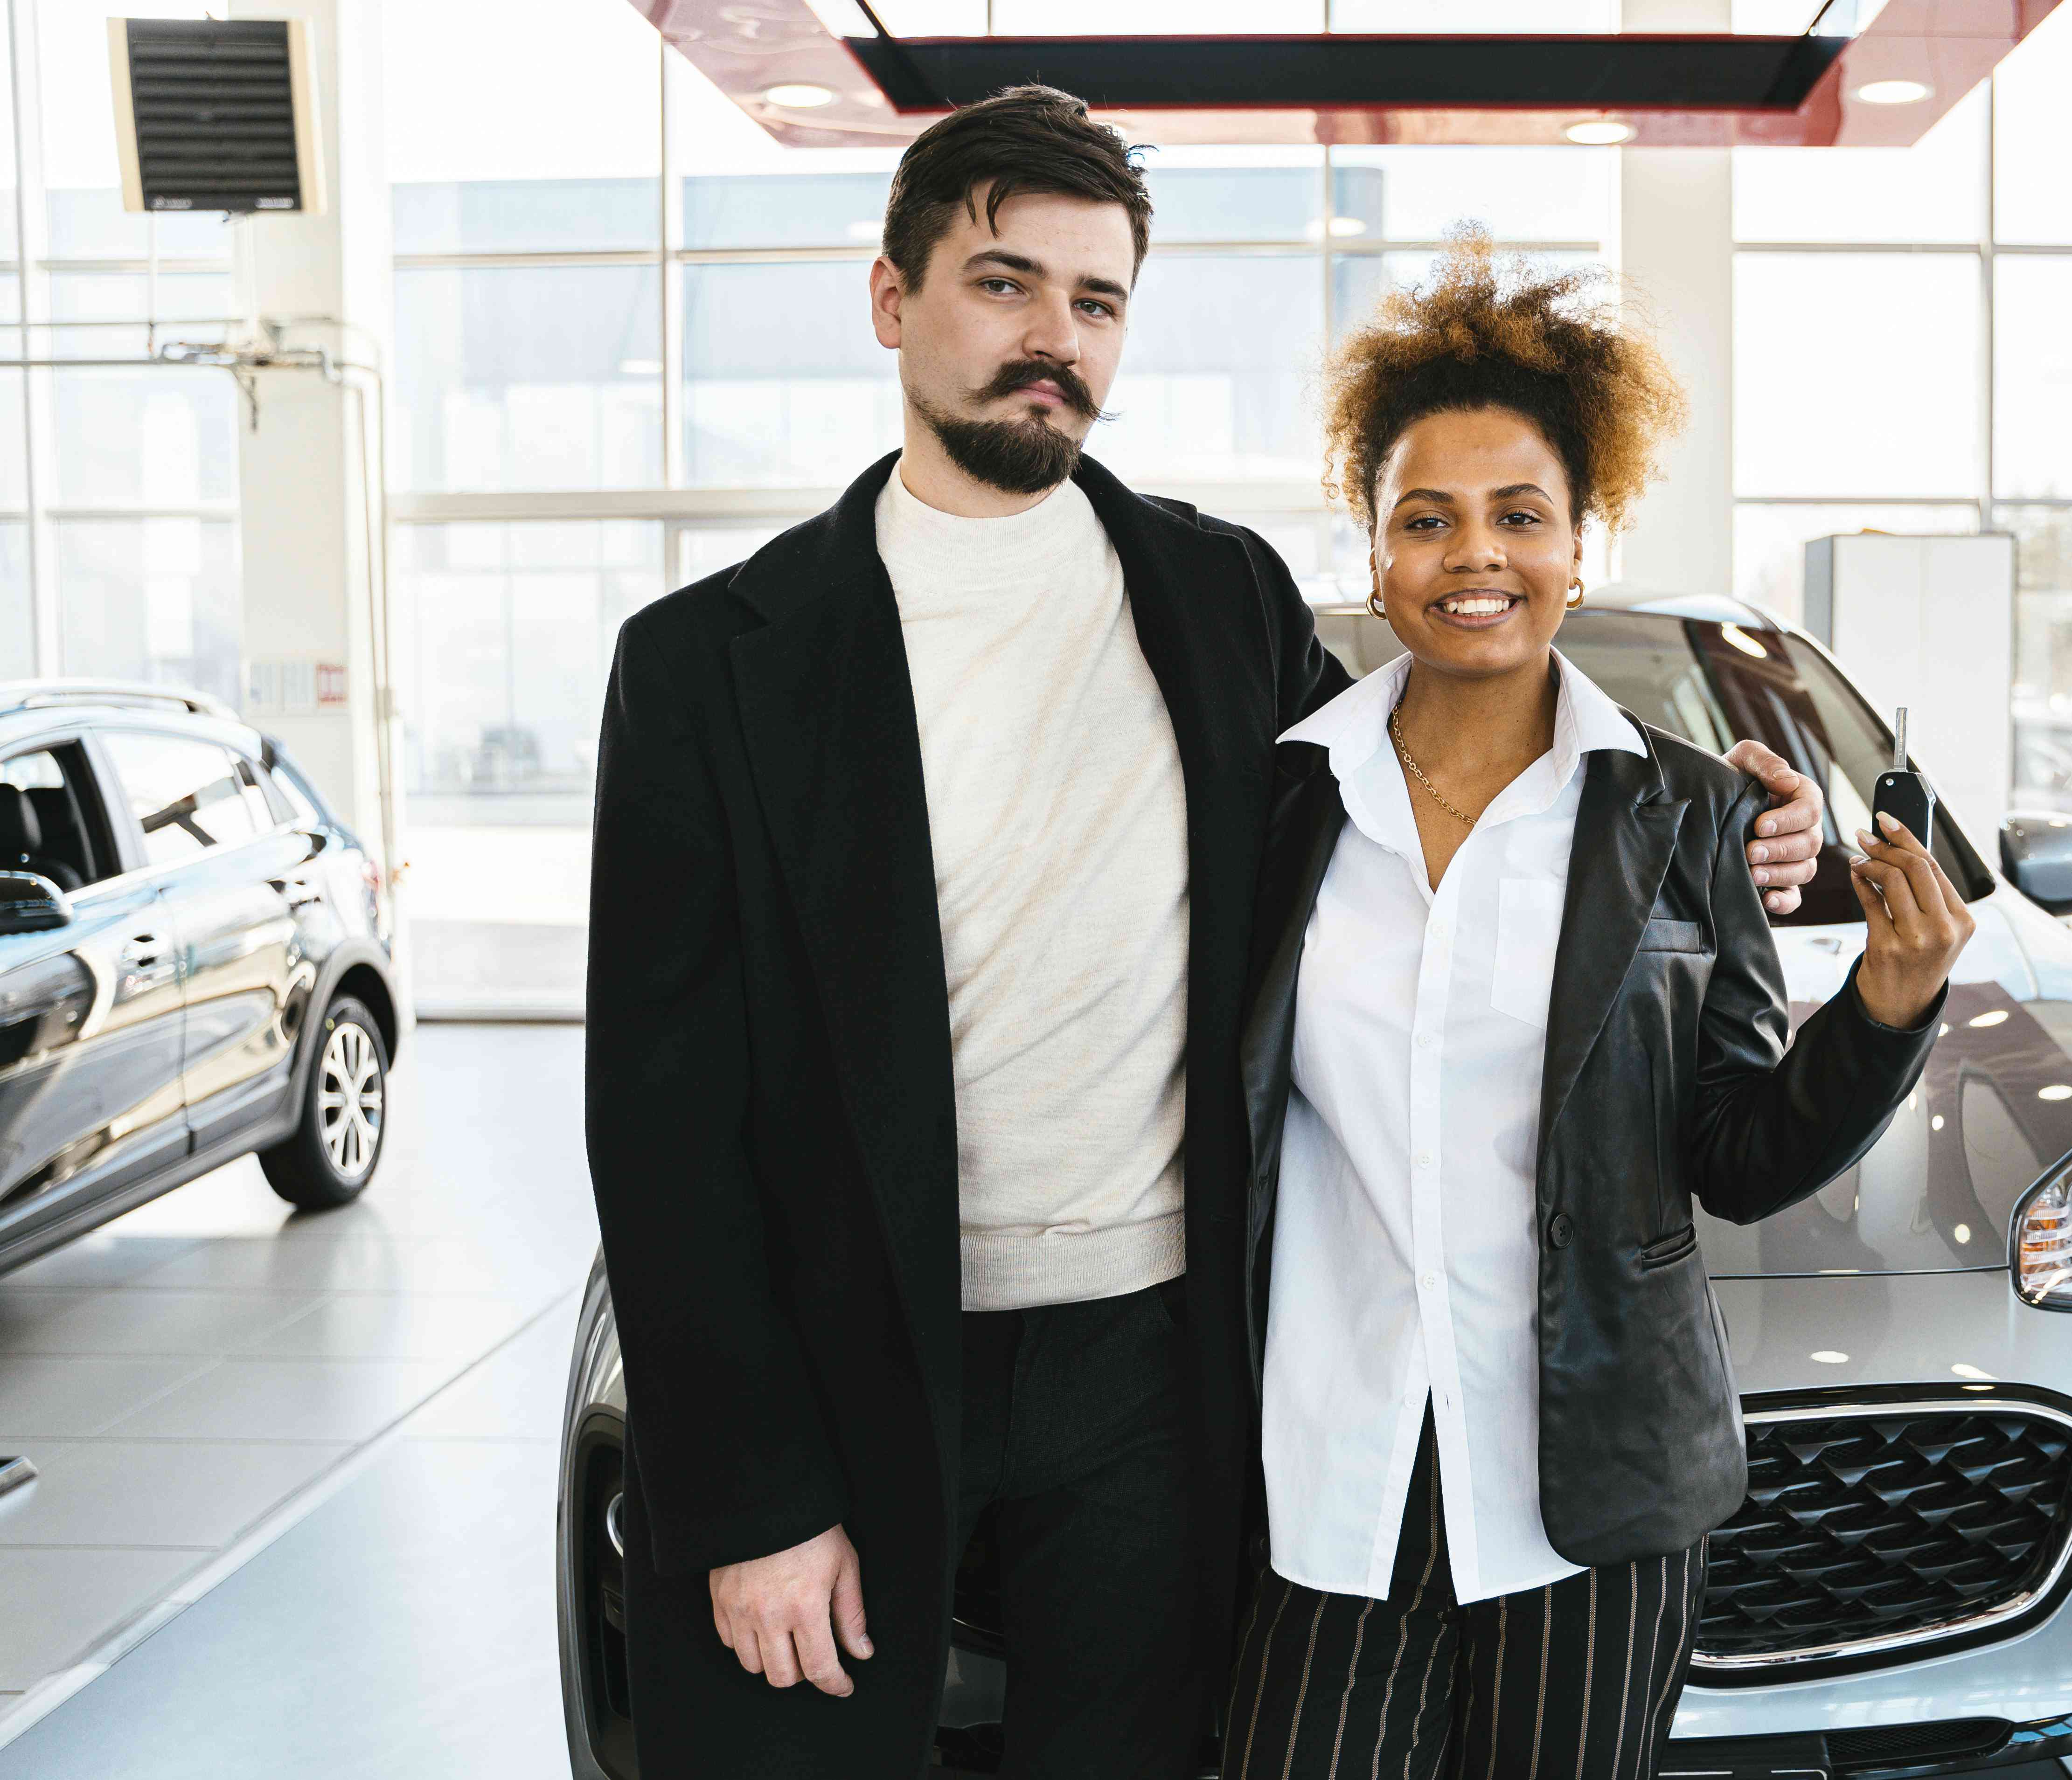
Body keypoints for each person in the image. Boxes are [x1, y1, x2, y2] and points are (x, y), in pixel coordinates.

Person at [581, 90, 1833, 1779]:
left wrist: (1712, 818)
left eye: (1095, 303)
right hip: (853, 1355)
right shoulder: (709, 664)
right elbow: (661, 1121)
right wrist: (754, 1498)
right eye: (1004, 285)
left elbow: (1454, 756)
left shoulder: (1215, 600)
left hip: (1151, 1380)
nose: (1054, 340)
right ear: (892, 301)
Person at [1224, 238, 1973, 1780]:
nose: (1472, 554)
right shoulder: (1279, 807)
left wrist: (1882, 1010)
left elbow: (1739, 1149)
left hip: (1596, 1481)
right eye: (1425, 519)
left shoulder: (1686, 815)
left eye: (1518, 515)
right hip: (1328, 1462)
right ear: (1373, 553)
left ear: (1581, 540)